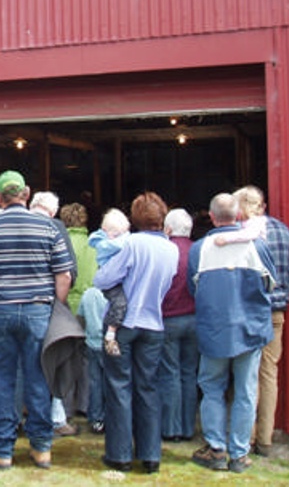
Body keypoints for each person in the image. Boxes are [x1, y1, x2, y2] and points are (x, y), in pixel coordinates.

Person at [0, 170, 72, 471]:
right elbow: (64, 275)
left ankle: (2, 450)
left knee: (1, 381)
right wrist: (54, 307)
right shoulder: (49, 227)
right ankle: (41, 448)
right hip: (38, 311)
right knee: (39, 379)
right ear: (26, 193)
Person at [189, 193, 276, 474]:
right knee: (246, 391)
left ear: (211, 217)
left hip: (214, 330)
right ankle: (239, 454)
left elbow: (194, 289)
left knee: (212, 388)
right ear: (238, 216)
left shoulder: (199, 249)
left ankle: (216, 449)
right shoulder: (257, 246)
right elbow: (270, 285)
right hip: (249, 329)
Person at [93, 192, 179, 474]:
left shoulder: (131, 244)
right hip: (154, 324)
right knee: (148, 387)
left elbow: (103, 278)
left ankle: (120, 454)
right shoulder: (171, 248)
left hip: (125, 324)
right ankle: (150, 454)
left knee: (119, 386)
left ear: (135, 217)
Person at [231, 186, 289, 458]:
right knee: (269, 373)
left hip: (249, 310)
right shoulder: (284, 231)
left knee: (247, 373)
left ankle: (245, 437)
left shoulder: (242, 235)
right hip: (277, 310)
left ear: (243, 207)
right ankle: (265, 439)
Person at [29, 191, 78, 438]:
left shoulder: (19, 223)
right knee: (55, 362)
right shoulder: (57, 227)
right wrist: (58, 303)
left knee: (22, 362)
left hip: (21, 303)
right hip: (50, 303)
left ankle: (20, 415)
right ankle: (57, 418)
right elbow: (69, 271)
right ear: (53, 210)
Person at [158, 208, 199, 442]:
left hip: (170, 318)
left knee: (170, 373)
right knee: (189, 373)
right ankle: (187, 427)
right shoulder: (198, 250)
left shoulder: (166, 251)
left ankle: (171, 428)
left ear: (168, 229)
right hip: (194, 318)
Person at [60, 201, 98, 417]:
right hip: (89, 306)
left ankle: (66, 406)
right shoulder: (94, 244)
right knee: (87, 358)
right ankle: (85, 403)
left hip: (66, 306)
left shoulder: (60, 243)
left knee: (65, 359)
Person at [88, 208, 131, 356]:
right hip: (111, 280)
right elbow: (118, 246)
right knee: (119, 303)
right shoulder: (105, 244)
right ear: (107, 231)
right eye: (117, 234)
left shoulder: (110, 239)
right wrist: (129, 240)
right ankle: (111, 333)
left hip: (115, 277)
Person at [76, 284, 108, 434]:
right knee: (111, 383)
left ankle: (96, 418)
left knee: (95, 382)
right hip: (110, 344)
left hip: (92, 343)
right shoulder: (114, 293)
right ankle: (110, 417)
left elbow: (80, 318)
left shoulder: (88, 293)